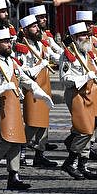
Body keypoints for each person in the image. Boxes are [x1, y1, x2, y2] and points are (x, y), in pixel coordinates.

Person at [0, 27, 54, 190]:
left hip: (13, 104)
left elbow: (26, 80)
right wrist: (4, 86)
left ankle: (14, 176)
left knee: (17, 141)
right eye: (5, 42)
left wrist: (42, 94)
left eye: (10, 41)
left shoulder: (11, 61)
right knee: (6, 140)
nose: (9, 44)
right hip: (0, 104)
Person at [60, 22, 97, 179]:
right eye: (83, 35)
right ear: (74, 38)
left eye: (87, 34)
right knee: (85, 130)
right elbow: (65, 79)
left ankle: (82, 164)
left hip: (90, 93)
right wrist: (85, 77)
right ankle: (70, 162)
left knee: (89, 130)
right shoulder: (68, 55)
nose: (87, 37)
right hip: (76, 94)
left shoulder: (87, 52)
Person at [14, 14, 58, 168]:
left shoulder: (42, 44)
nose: (37, 28)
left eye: (37, 26)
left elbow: (56, 57)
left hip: (45, 85)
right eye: (33, 27)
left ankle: (40, 153)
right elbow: (25, 72)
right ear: (25, 30)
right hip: (32, 88)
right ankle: (21, 151)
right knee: (32, 123)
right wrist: (41, 65)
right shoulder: (22, 48)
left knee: (44, 122)